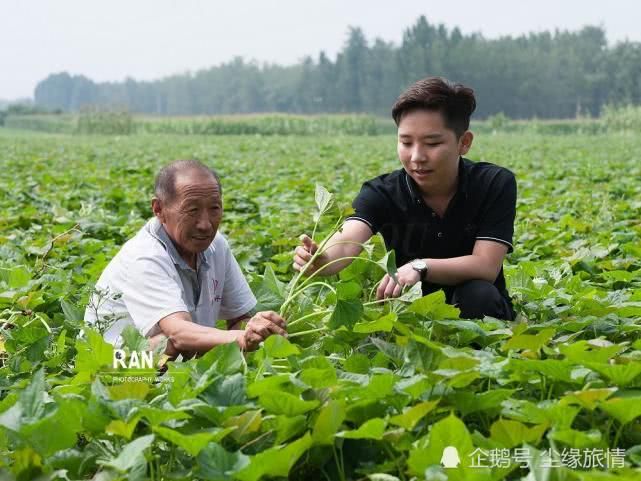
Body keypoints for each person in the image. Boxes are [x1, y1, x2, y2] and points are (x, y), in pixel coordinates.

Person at [293, 77, 516, 321]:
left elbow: (485, 266)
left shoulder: (494, 183)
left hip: (477, 310)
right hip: (410, 317)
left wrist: (419, 267)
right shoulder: (381, 192)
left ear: (464, 143)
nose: (417, 156)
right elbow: (347, 241)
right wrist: (321, 259)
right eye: (406, 142)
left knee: (478, 294)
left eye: (432, 143)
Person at [85, 159, 287, 355]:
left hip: (182, 364)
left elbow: (240, 318)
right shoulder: (144, 256)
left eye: (214, 208)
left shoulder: (216, 244)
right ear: (159, 210)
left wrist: (258, 329)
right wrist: (242, 338)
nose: (205, 224)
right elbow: (179, 334)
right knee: (167, 343)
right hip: (116, 368)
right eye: (192, 210)